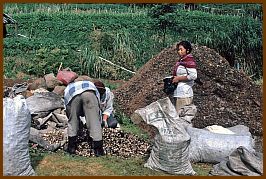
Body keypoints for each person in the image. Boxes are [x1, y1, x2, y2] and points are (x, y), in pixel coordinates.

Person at [64, 80, 104, 157]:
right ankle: (98, 150)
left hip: (72, 95)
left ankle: (71, 148)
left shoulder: (68, 88)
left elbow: (69, 114)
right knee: (94, 121)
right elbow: (97, 113)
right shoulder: (92, 86)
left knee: (73, 121)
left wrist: (75, 122)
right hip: (89, 93)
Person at [172, 41, 197, 113]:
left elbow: (193, 76)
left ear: (187, 50)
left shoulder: (189, 60)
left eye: (181, 49)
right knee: (178, 117)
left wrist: (178, 78)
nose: (179, 51)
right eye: (178, 50)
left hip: (185, 93)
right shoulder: (181, 61)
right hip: (179, 93)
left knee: (183, 118)